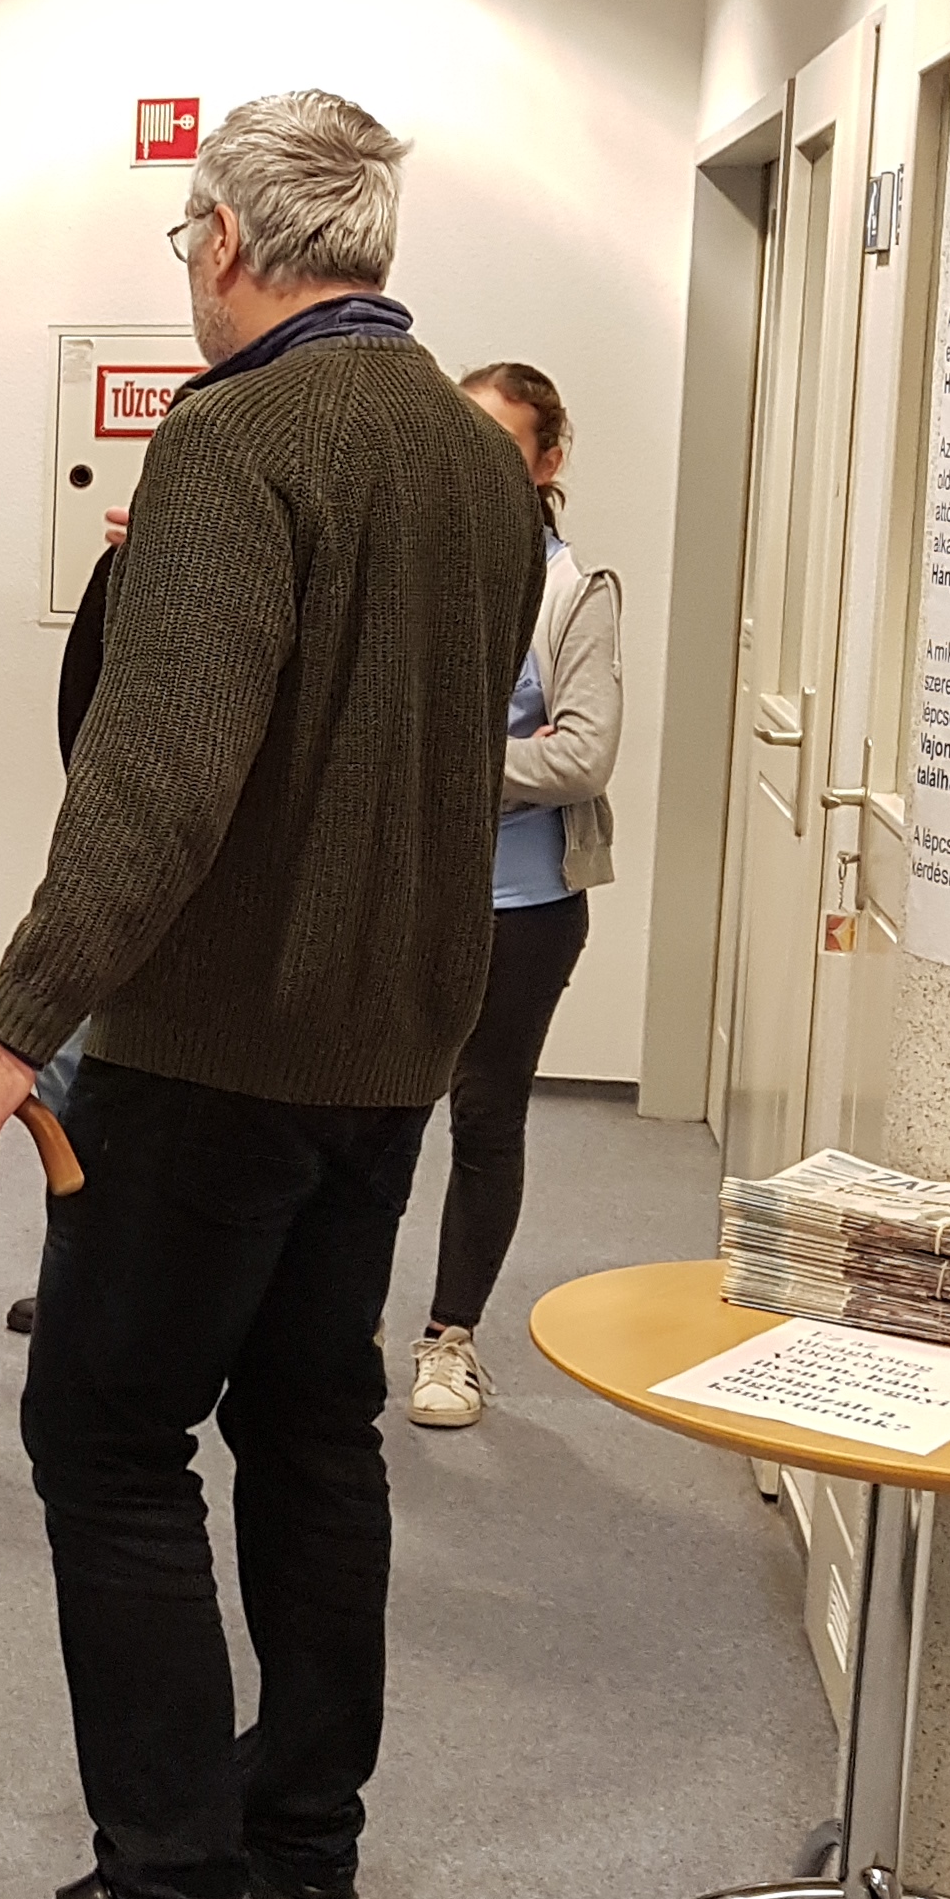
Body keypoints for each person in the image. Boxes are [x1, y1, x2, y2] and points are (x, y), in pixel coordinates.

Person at [0, 91, 544, 1899]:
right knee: (314, 1423)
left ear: (226, 243)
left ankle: (167, 1897)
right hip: (389, 1047)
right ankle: (301, 1835)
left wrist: (5, 1025)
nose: (188, 272)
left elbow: (158, 784)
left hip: (223, 1047)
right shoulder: (476, 453)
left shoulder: (238, 434)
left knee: (105, 1434)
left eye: (188, 243)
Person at [410, 362, 619, 1429]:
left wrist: (437, 762)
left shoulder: (575, 593)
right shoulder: (409, 568)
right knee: (369, 1117)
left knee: (485, 1119)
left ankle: (449, 1342)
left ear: (547, 461)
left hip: (524, 907)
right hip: (405, 892)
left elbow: (582, 757)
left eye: (505, 444)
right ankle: (331, 1327)